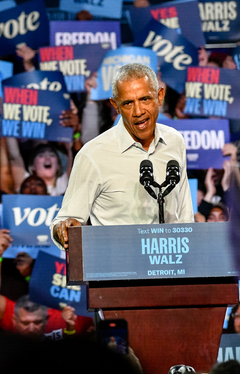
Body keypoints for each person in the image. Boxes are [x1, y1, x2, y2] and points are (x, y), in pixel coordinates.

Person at [50, 63, 194, 250]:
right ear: (115, 105)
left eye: (145, 99)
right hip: (118, 269)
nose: (138, 111)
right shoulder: (93, 155)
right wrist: (63, 229)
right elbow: (64, 221)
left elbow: (184, 213)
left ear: (159, 96)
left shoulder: (175, 141)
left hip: (173, 267)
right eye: (128, 103)